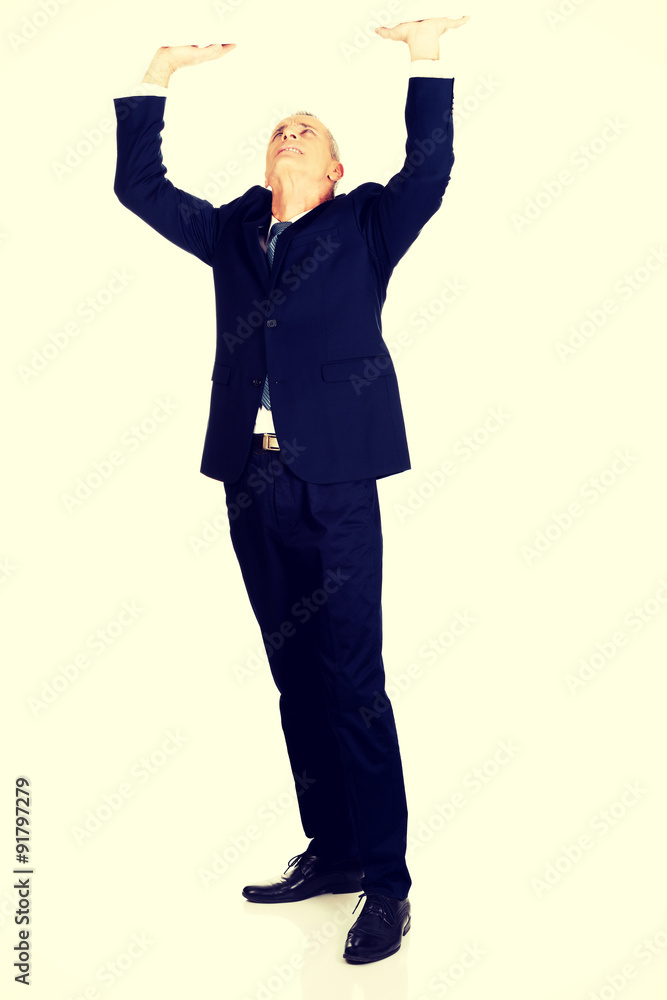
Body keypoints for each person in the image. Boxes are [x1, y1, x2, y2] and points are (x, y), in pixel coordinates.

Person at [113, 15, 469, 964]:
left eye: (307, 129)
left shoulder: (366, 225)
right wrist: (158, 72)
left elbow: (429, 168)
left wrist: (424, 55)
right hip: (251, 475)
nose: (289, 131)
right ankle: (334, 851)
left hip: (338, 476)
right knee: (295, 677)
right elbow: (137, 187)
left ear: (335, 169)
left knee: (353, 681)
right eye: (279, 127)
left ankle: (386, 885)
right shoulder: (231, 229)